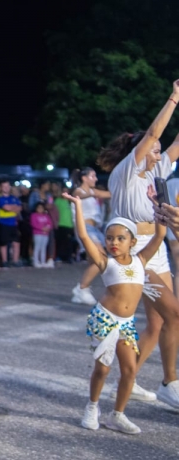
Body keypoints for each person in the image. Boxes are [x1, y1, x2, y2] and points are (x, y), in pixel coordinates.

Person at [94, 79, 179, 408]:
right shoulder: (127, 172)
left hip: (156, 249)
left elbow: (174, 144)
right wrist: (174, 98)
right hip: (135, 253)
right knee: (174, 315)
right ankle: (170, 383)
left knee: (157, 323)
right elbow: (155, 136)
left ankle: (127, 384)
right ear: (140, 150)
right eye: (154, 151)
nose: (159, 154)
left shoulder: (156, 171)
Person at [65, 192, 166, 434]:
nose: (114, 242)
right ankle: (92, 406)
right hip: (105, 319)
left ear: (132, 241)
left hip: (126, 323)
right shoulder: (105, 262)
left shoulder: (140, 260)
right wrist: (78, 206)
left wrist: (157, 207)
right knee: (103, 369)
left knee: (130, 370)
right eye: (110, 238)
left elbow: (160, 233)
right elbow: (82, 234)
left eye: (121, 238)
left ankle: (117, 415)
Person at [70, 168, 112, 303]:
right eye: (93, 176)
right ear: (84, 178)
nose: (96, 179)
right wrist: (91, 194)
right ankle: (82, 287)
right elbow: (78, 196)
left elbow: (110, 194)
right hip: (85, 229)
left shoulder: (94, 192)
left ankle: (82, 290)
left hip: (95, 229)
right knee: (101, 258)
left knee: (94, 262)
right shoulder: (79, 191)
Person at [0, 182, 22, 267]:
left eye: (7, 186)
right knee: (3, 243)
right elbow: (6, 208)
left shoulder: (14, 198)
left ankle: (15, 261)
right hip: (4, 223)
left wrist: (11, 208)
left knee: (16, 242)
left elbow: (19, 208)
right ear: (1, 188)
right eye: (4, 186)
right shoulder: (0, 198)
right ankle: (4, 261)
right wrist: (13, 207)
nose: (6, 188)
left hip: (13, 224)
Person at [30, 202, 54, 268]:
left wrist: (47, 228)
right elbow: (33, 224)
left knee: (43, 248)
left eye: (41, 208)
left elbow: (50, 223)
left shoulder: (46, 216)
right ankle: (36, 261)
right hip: (37, 234)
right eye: (39, 208)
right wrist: (42, 228)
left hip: (45, 234)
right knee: (37, 247)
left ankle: (43, 262)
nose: (40, 209)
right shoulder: (34, 215)